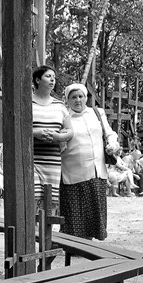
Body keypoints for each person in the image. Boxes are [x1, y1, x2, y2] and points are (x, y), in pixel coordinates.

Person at [59, 83, 119, 240]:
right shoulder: (63, 116)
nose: (78, 100)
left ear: (86, 98)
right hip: (73, 173)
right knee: (74, 215)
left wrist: (112, 145)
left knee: (93, 214)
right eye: (73, 97)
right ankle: (73, 246)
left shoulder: (97, 113)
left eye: (81, 96)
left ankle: (89, 245)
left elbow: (110, 133)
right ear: (67, 100)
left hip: (96, 171)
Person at [32, 65, 72, 209]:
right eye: (48, 76)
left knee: (50, 203)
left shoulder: (59, 105)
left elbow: (70, 131)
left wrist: (58, 136)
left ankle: (47, 225)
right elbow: (18, 128)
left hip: (52, 160)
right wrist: (36, 133)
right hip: (31, 159)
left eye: (54, 77)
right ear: (38, 80)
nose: (52, 80)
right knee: (33, 198)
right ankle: (32, 225)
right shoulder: (27, 103)